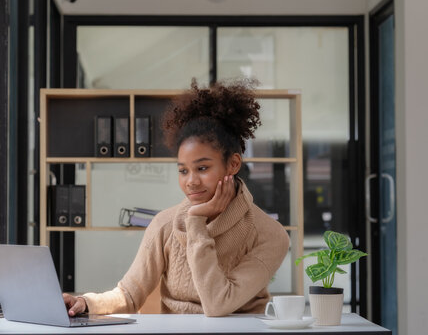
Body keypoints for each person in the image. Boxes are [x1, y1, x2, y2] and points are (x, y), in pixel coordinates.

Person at [64, 80, 290, 317]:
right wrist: (86, 302)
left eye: (202, 168)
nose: (191, 181)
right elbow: (130, 294)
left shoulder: (270, 234)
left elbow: (218, 304)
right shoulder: (164, 224)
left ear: (233, 164)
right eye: (183, 171)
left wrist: (196, 221)